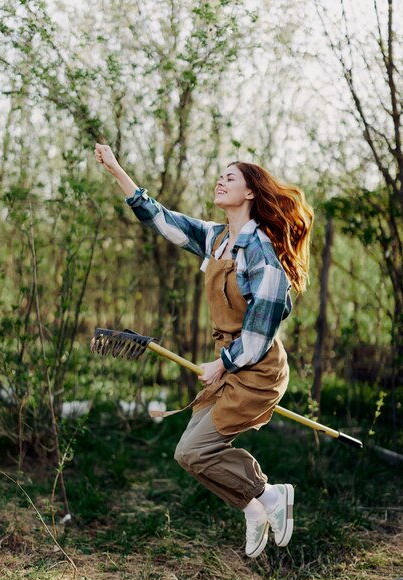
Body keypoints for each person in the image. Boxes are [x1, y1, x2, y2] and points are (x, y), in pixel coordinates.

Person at [94, 143, 314, 558]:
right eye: (221, 175)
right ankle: (255, 505)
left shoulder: (263, 254)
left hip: (257, 369)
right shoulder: (217, 239)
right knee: (188, 455)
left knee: (195, 450)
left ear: (250, 192)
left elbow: (260, 334)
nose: (221, 180)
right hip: (231, 363)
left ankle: (269, 495)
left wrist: (222, 364)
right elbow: (160, 218)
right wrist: (116, 170)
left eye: (231, 177)